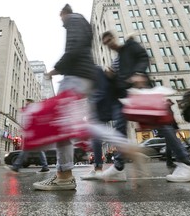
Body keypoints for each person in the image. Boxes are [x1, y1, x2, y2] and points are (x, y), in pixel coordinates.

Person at [32, 4, 143, 191]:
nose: (61, 22)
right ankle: (64, 174)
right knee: (68, 124)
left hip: (75, 76)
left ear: (63, 13)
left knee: (62, 125)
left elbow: (75, 49)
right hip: (82, 77)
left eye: (61, 18)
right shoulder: (81, 22)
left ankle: (65, 176)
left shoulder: (73, 20)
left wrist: (57, 68)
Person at [100, 30, 190, 182]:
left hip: (142, 92)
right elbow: (118, 82)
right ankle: (118, 166)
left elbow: (143, 57)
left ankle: (186, 163)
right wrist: (110, 78)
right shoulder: (118, 59)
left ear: (115, 37)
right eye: (106, 43)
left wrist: (139, 73)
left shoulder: (130, 45)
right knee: (120, 127)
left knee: (162, 125)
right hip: (127, 97)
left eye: (110, 40)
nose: (110, 44)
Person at [10, 99, 50, 173]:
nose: (26, 104)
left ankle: (16, 166)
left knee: (26, 150)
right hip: (33, 133)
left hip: (33, 133)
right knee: (37, 150)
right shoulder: (32, 110)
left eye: (28, 103)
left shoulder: (33, 110)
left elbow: (33, 121)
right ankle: (45, 166)